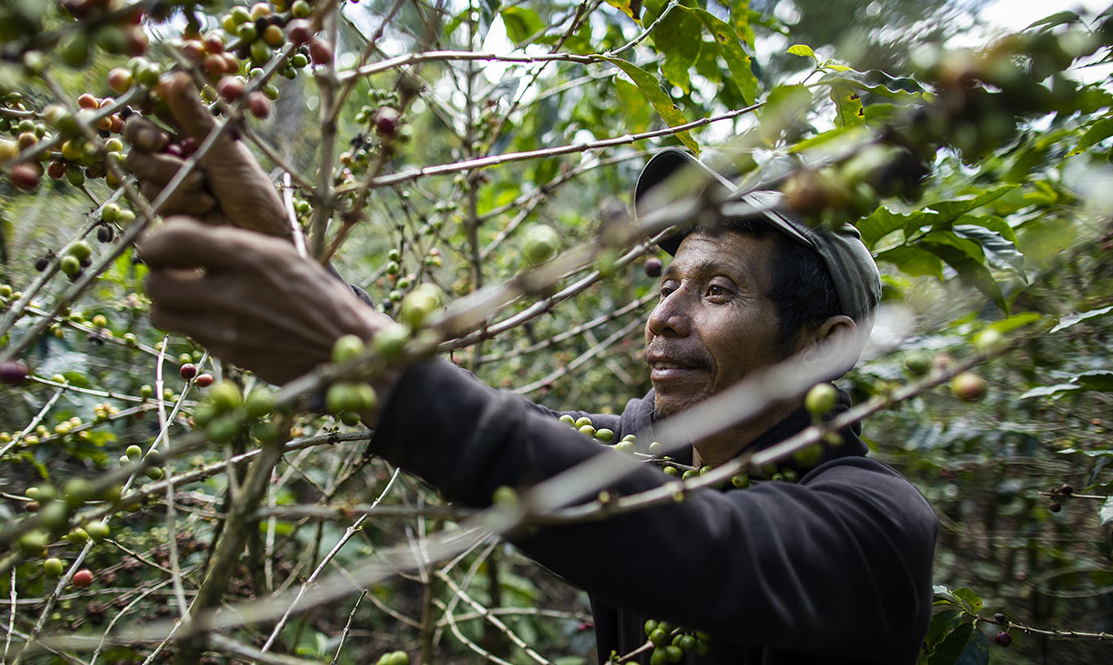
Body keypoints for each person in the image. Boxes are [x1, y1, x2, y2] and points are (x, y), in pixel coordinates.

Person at [125, 74, 938, 664]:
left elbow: (695, 543)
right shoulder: (642, 446)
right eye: (667, 284)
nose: (664, 316)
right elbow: (496, 423)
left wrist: (379, 372)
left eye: (718, 289)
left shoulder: (876, 524)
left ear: (821, 345)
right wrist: (304, 274)